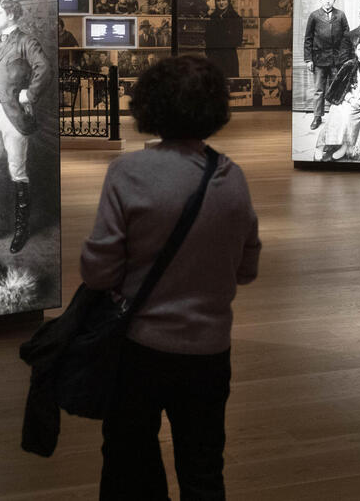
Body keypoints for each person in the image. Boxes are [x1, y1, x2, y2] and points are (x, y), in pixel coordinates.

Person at [80, 56, 260, 500]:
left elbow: (99, 271)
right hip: (209, 351)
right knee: (202, 469)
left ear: (150, 106)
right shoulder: (230, 176)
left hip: (139, 348)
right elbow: (247, 268)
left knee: (130, 462)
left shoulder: (128, 172)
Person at [0, 0, 53, 253]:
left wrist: (30, 93)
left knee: (18, 172)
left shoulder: (26, 41)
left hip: (14, 116)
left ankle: (21, 230)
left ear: (11, 15)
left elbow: (45, 68)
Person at [314, 40, 360, 161]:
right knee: (337, 113)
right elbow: (338, 86)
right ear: (355, 50)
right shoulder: (349, 65)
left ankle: (345, 146)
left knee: (352, 118)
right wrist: (350, 99)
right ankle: (321, 146)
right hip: (346, 99)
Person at [303, 0, 349, 130]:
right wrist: (308, 59)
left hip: (336, 59)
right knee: (319, 89)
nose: (328, 1)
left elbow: (346, 37)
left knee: (337, 87)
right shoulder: (314, 16)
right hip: (319, 59)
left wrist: (344, 57)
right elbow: (308, 38)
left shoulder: (340, 15)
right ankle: (317, 116)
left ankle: (337, 116)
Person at [204, 0, 242, 78]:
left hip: (229, 58)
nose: (221, 3)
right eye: (218, 0)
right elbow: (207, 38)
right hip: (214, 59)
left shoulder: (236, 18)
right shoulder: (211, 18)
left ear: (228, 1)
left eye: (224, 0)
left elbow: (237, 41)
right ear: (215, 2)